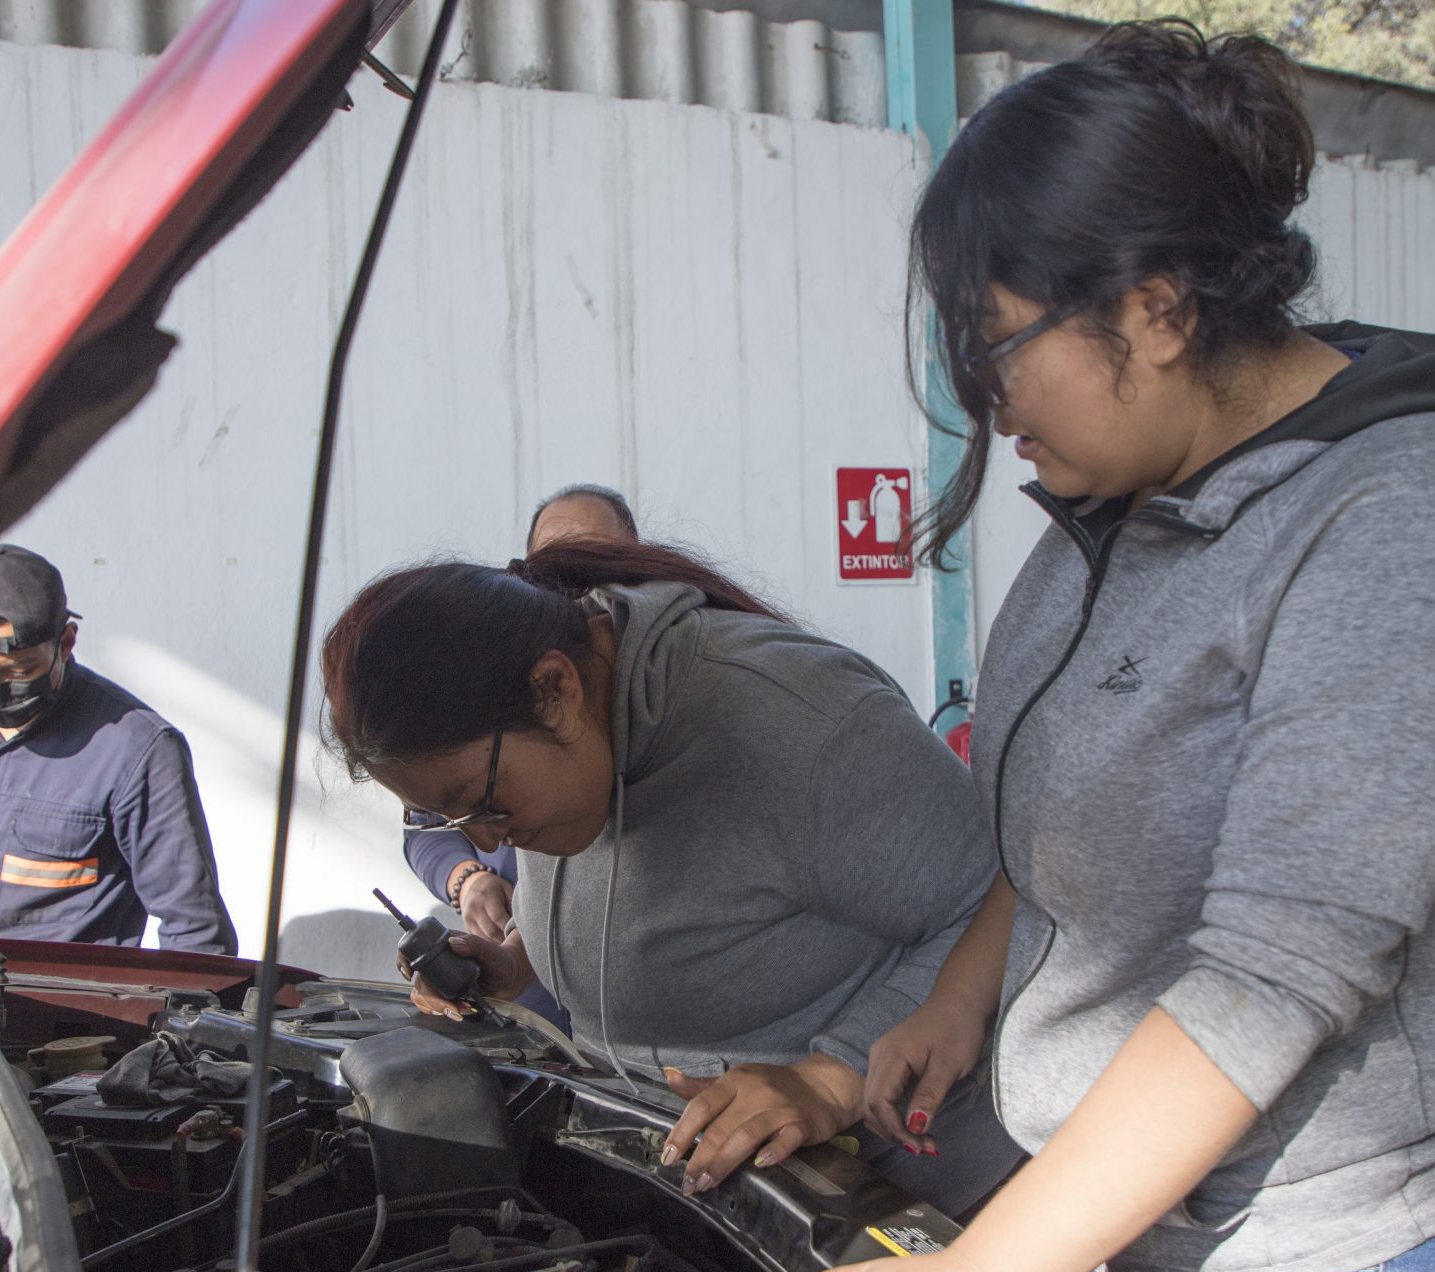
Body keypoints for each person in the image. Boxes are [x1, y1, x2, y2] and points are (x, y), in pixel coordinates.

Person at [746, 27, 1435, 1272]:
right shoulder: (1123, 502)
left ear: (1155, 305)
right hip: (1147, 1222)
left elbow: (1281, 966)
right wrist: (960, 997)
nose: (990, 411)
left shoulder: (1409, 531)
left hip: (1346, 1261)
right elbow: (1069, 801)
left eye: (1001, 352)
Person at [325, 537, 1023, 1216]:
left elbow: (1010, 896)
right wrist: (522, 959)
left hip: (920, 1199)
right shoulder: (569, 736)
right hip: (709, 1186)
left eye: (484, 800)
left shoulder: (800, 728)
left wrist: (833, 1077)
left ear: (555, 690)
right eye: (449, 817)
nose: (485, 838)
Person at [0, 544, 235, 952]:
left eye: (18, 671)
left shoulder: (138, 749)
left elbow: (193, 926)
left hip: (71, 1010)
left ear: (66, 643)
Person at [400, 486, 637, 1024]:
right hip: (537, 1012)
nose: (580, 591)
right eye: (555, 571)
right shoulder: (488, 683)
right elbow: (427, 824)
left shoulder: (673, 709)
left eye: (602, 564)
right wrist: (468, 880)